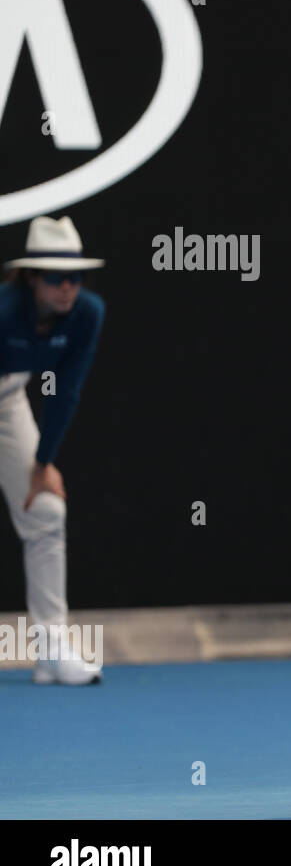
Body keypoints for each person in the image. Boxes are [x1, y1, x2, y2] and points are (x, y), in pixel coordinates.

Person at [0, 216, 107, 685]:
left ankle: (51, 650)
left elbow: (66, 390)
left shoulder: (88, 313)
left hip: (7, 398)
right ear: (29, 278)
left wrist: (43, 464)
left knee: (45, 509)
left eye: (75, 277)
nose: (67, 287)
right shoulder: (3, 311)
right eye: (55, 277)